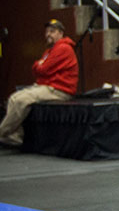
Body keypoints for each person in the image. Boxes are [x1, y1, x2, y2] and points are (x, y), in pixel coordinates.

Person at [0, 20, 78, 149]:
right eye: (47, 31)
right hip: (46, 87)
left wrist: (39, 66)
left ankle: (3, 133)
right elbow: (37, 69)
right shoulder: (50, 51)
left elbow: (42, 69)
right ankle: (15, 137)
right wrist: (39, 66)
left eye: (52, 31)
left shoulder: (63, 48)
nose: (48, 34)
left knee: (21, 100)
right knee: (13, 98)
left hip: (59, 90)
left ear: (61, 33)